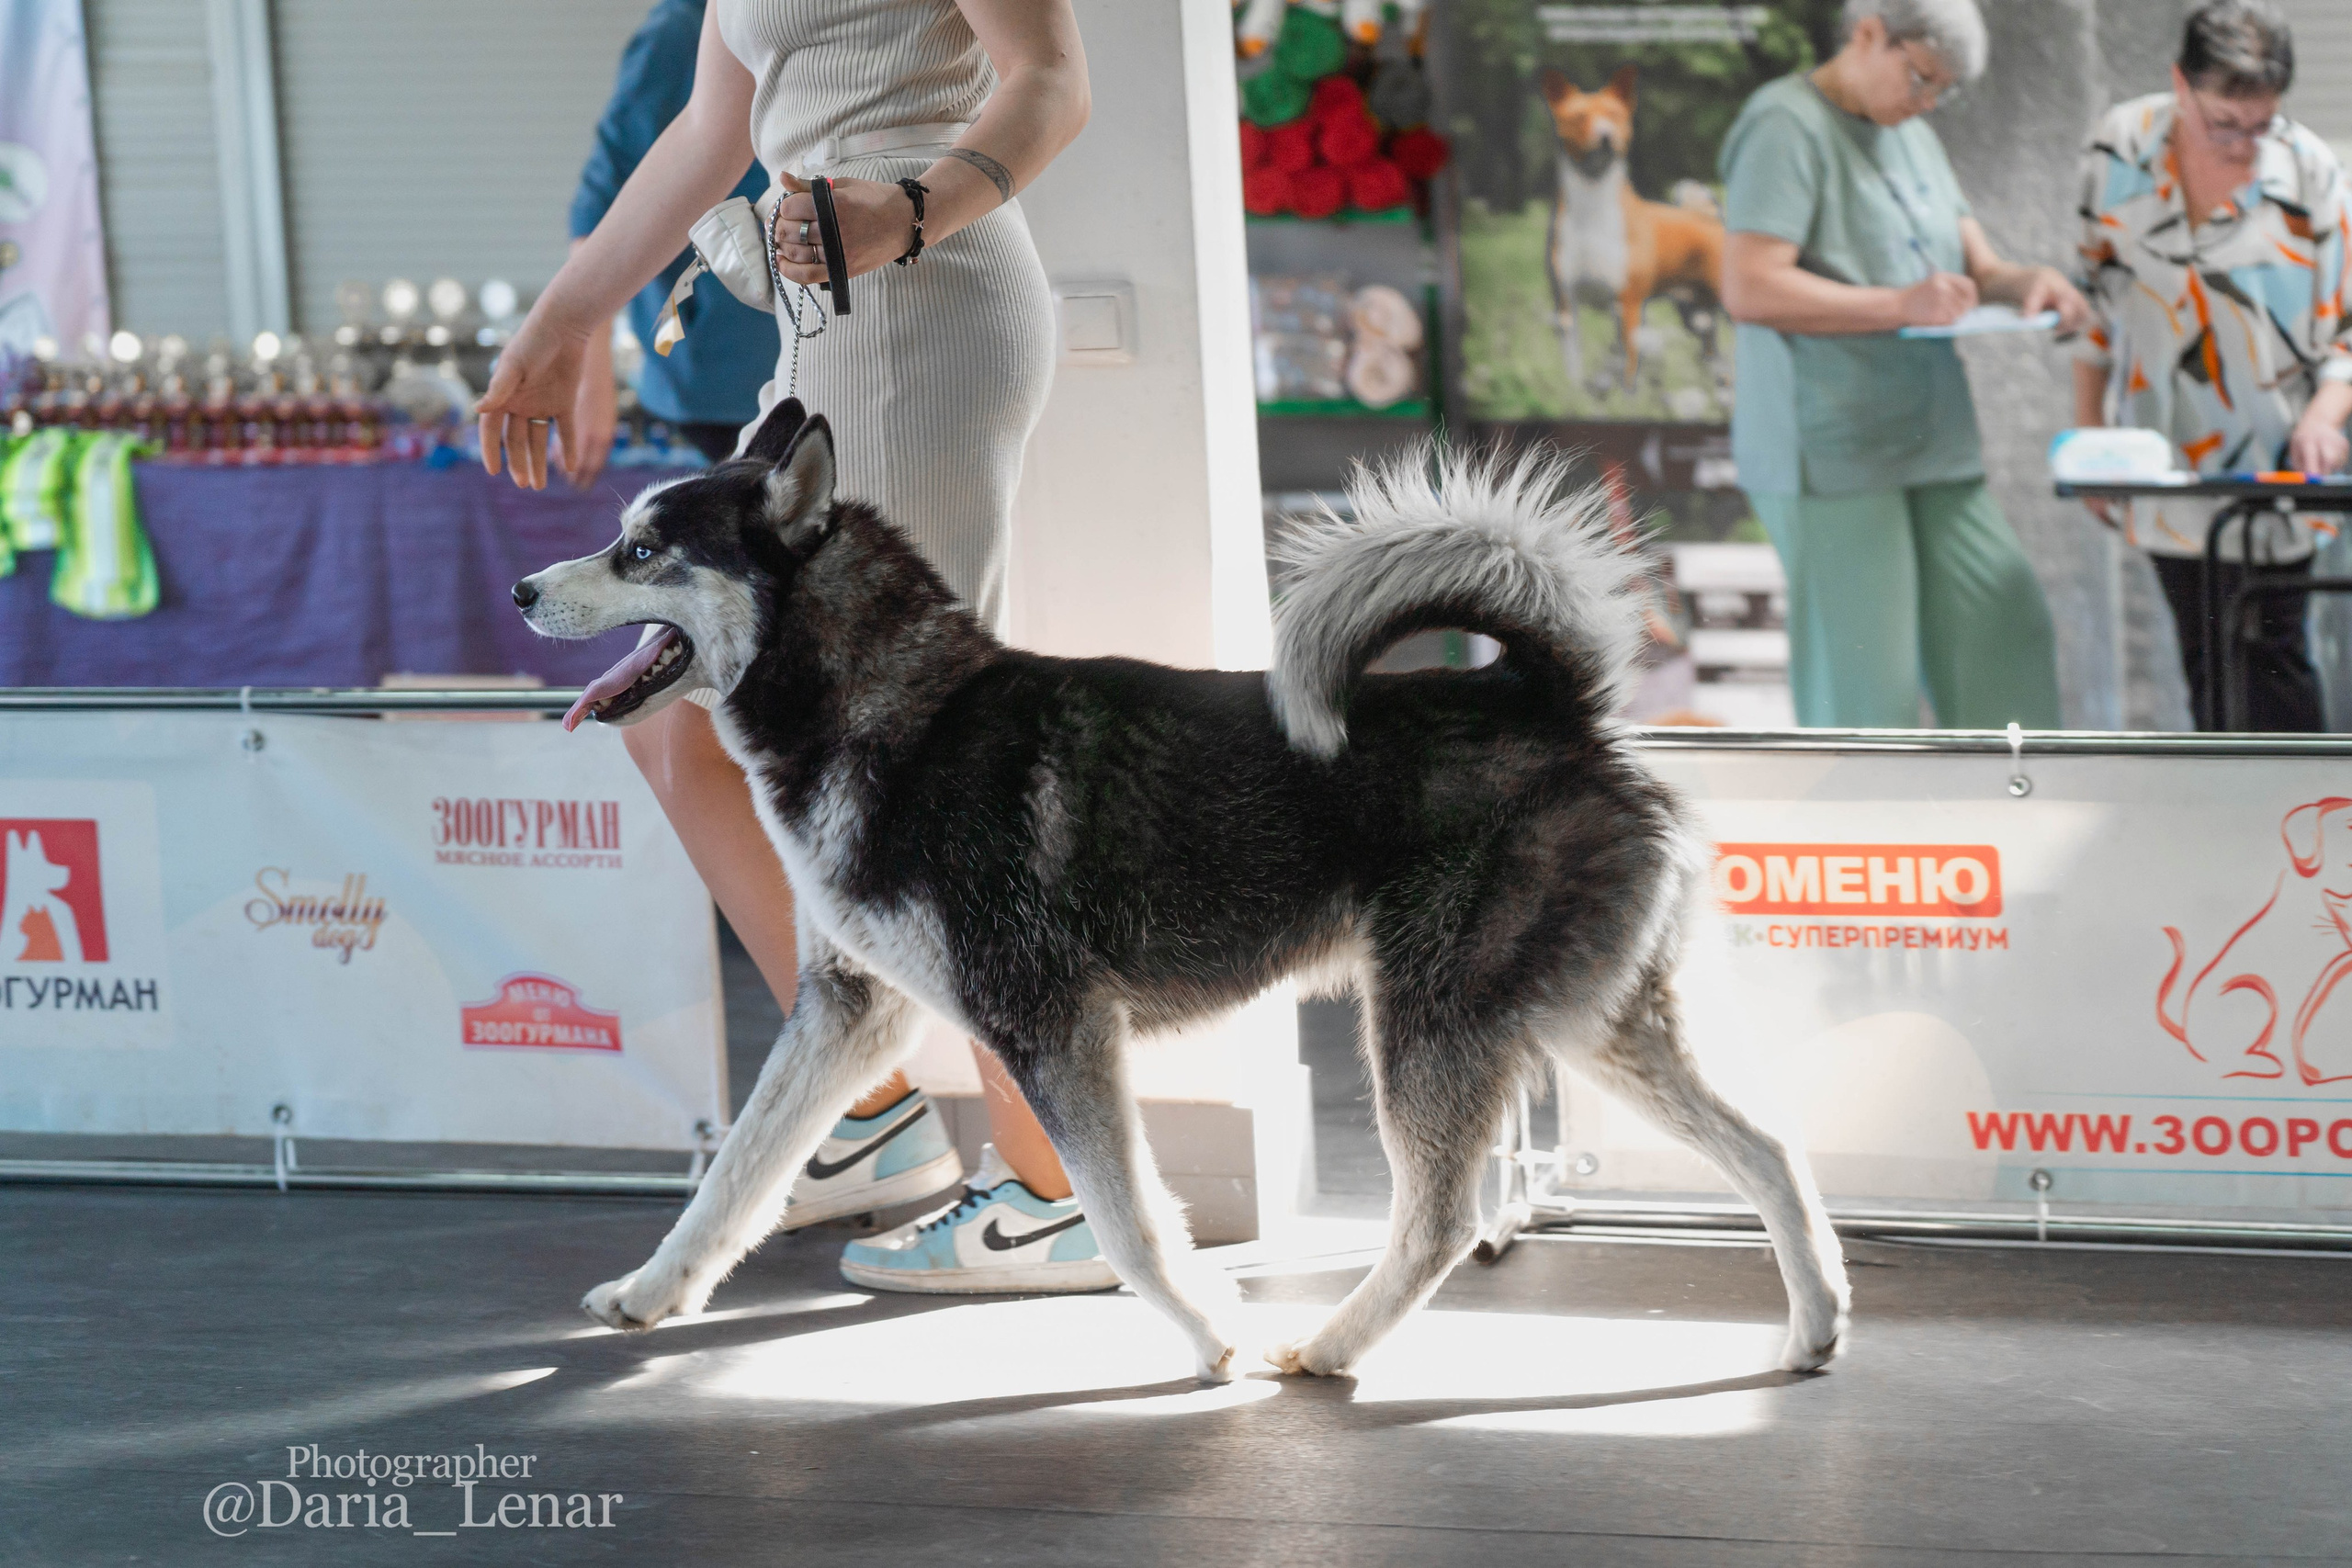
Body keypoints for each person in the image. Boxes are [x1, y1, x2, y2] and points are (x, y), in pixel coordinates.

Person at [483, 0, 1105, 1293]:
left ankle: (1065, 1184)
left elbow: (1051, 78)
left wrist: (920, 208)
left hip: (923, 309)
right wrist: (565, 318)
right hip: (821, 331)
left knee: (926, 761)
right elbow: (712, 133)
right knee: (674, 711)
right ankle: (869, 1111)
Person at [1718, 0, 2087, 729]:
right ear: (1867, 35)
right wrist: (1898, 304)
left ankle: (2010, 827)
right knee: (1867, 687)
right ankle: (1867, 837)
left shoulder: (1912, 133)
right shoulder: (1784, 124)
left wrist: (2028, 283)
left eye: (1942, 91)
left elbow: (1978, 268)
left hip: (1931, 440)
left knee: (2007, 634)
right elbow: (1750, 285)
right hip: (1831, 449)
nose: (1926, 104)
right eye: (1920, 79)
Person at [2072, 0, 2352, 732]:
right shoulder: (2118, 147)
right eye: (2222, 123)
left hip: (2277, 462)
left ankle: (2302, 830)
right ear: (2179, 84)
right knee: (2204, 657)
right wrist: (2087, 437)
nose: (2241, 145)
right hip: (2161, 455)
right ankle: (2228, 827)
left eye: (2260, 127)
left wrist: (2327, 415)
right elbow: (2092, 301)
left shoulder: (2310, 172)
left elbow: (2346, 327)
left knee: (2273, 653)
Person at [563, 0, 777, 481]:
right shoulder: (681, 29)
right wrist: (589, 374)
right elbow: (601, 204)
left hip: (787, 347)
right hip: (720, 374)